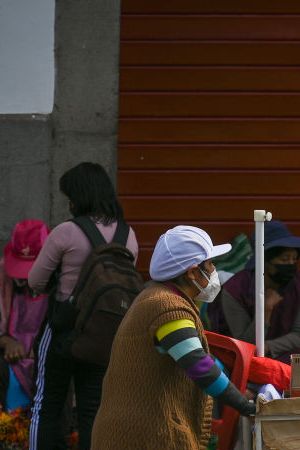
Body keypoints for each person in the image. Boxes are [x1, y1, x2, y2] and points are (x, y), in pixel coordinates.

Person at [91, 225, 256, 450]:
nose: (214, 269)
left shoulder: (156, 297)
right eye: (209, 264)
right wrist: (245, 405)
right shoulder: (168, 309)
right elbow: (200, 366)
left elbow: (198, 358)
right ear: (192, 272)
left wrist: (235, 385)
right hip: (144, 436)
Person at [28, 162, 139, 450]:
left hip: (63, 330)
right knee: (93, 410)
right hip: (104, 334)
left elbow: (35, 281)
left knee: (46, 406)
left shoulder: (66, 231)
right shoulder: (128, 235)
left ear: (78, 195)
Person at [221, 220, 300, 363]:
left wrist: (269, 347)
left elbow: (298, 334)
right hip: (244, 362)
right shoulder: (234, 291)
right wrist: (265, 311)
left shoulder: (297, 284)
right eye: (284, 259)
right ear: (265, 261)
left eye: (294, 259)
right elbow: (244, 345)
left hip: (289, 357)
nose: (291, 265)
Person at [0, 219, 49, 410]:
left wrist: (40, 349)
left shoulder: (61, 281)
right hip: (10, 361)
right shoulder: (3, 276)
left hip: (44, 360)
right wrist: (7, 342)